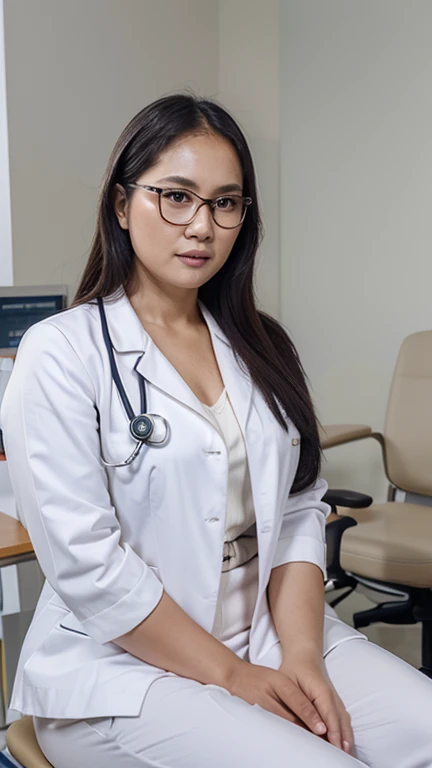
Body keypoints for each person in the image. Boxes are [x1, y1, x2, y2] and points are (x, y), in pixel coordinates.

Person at [1, 93, 431, 768]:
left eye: (225, 203)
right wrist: (235, 679)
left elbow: (295, 512)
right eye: (176, 196)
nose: (201, 225)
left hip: (264, 632)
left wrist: (303, 657)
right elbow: (90, 567)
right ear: (122, 204)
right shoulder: (63, 351)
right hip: (121, 671)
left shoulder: (261, 345)